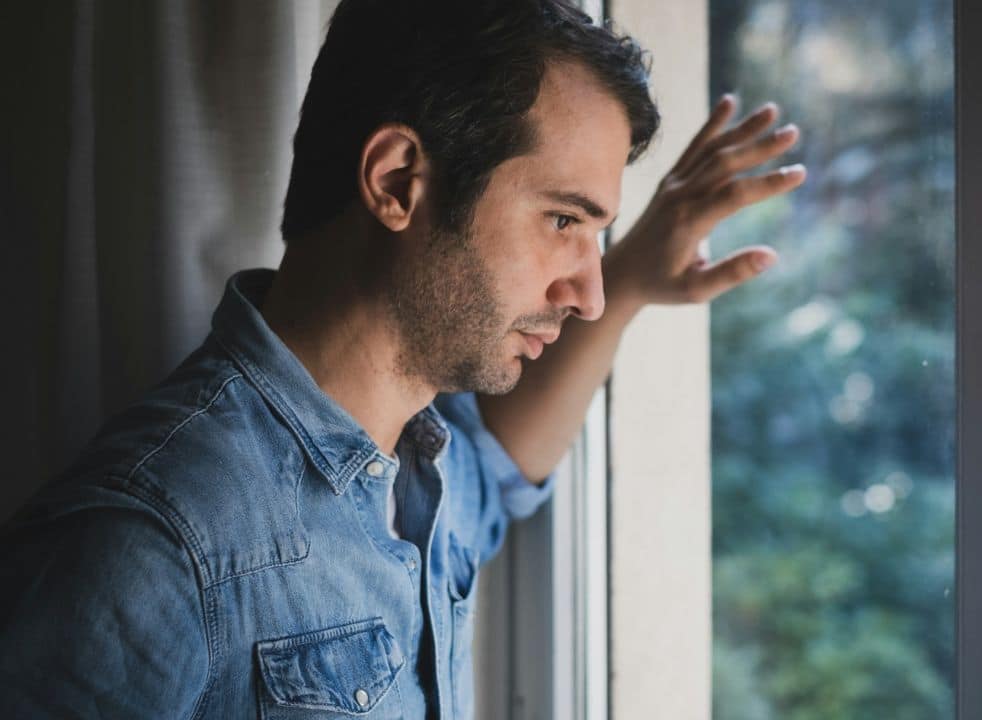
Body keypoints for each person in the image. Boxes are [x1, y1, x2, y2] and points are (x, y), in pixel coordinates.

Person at [0, 0, 804, 717]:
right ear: (397, 182)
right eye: (564, 221)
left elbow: (500, 469)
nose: (586, 293)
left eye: (598, 238)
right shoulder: (146, 546)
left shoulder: (420, 467)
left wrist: (629, 283)